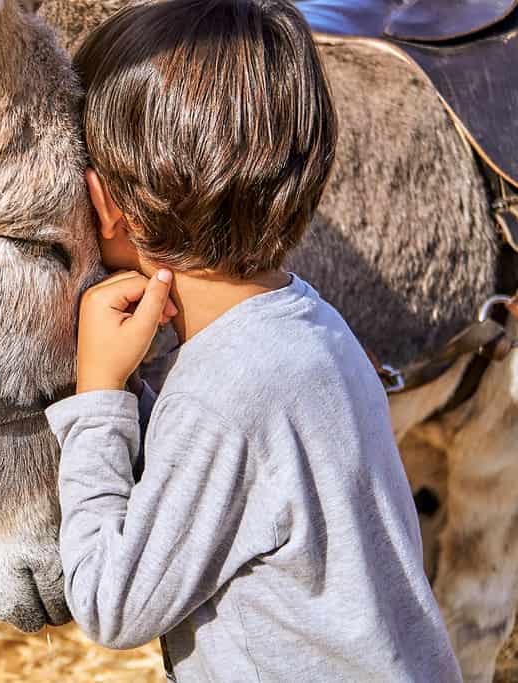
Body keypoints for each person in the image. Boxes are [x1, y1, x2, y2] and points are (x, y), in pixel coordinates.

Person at [44, 0, 462, 680]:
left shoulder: (225, 394)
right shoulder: (307, 322)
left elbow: (108, 601)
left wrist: (98, 397)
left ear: (105, 203)